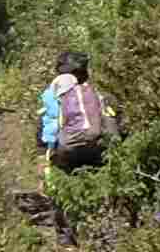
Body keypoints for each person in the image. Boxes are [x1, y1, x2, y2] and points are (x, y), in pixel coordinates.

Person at [35, 48, 113, 180]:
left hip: (68, 149)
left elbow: (47, 127)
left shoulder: (55, 94)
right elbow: (110, 119)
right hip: (97, 145)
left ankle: (59, 185)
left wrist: (43, 155)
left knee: (63, 163)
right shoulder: (95, 92)